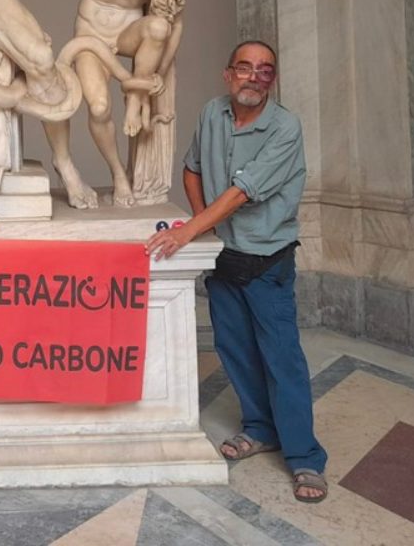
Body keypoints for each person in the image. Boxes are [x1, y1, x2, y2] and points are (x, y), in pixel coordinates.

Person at [145, 41, 328, 503]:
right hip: (224, 259)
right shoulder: (212, 113)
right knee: (236, 350)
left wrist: (189, 232)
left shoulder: (285, 127)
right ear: (229, 75)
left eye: (264, 71)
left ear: (272, 80)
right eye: (245, 68)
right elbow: (191, 170)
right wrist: (205, 228)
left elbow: (241, 193)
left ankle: (305, 457)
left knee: (281, 358)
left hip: (268, 263)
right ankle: (259, 429)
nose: (254, 77)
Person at [43, 0, 190, 209]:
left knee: (159, 26)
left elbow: (175, 24)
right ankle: (118, 172)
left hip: (127, 35)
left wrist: (158, 73)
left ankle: (135, 100)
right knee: (99, 108)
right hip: (90, 35)